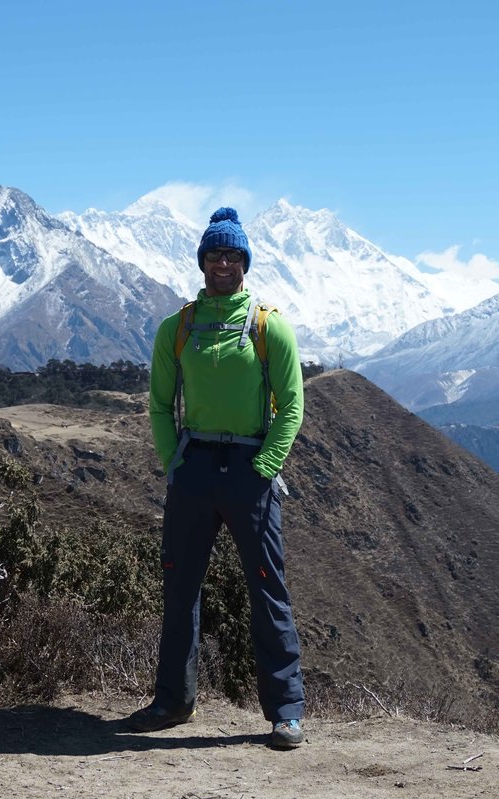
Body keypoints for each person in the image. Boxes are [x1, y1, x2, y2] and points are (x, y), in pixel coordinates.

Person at [128, 207, 306, 750]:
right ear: (202, 261)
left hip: (249, 470)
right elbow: (159, 404)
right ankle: (173, 700)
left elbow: (292, 405)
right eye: (214, 254)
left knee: (266, 589)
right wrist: (172, 462)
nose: (223, 263)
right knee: (180, 586)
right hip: (195, 469)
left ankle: (285, 711)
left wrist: (266, 466)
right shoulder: (176, 328)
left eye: (232, 255)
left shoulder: (268, 325)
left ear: (244, 263)